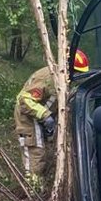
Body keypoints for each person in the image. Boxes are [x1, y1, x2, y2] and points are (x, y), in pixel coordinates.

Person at [13, 49, 87, 187]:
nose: (76, 76)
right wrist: (46, 116)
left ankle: (40, 186)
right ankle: (33, 191)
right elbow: (25, 101)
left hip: (41, 118)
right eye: (75, 71)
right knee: (35, 152)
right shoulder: (48, 76)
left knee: (45, 154)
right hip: (28, 116)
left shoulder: (63, 80)